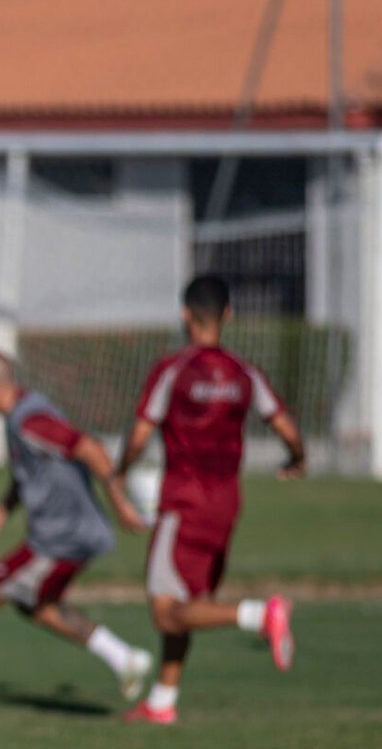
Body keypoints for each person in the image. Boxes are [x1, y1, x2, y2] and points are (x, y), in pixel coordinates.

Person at [0, 351, 154, 703]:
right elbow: (29, 475)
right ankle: (124, 658)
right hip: (64, 534)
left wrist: (121, 504)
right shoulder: (20, 418)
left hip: (62, 538)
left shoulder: (30, 420)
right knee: (36, 605)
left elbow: (90, 448)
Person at [114, 274, 303, 724]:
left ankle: (261, 615)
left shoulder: (174, 370)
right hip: (226, 505)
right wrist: (296, 459)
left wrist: (119, 472)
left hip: (183, 502)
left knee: (166, 612)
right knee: (188, 604)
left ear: (185, 314)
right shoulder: (244, 373)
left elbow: (140, 433)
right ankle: (163, 701)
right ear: (227, 315)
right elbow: (286, 428)